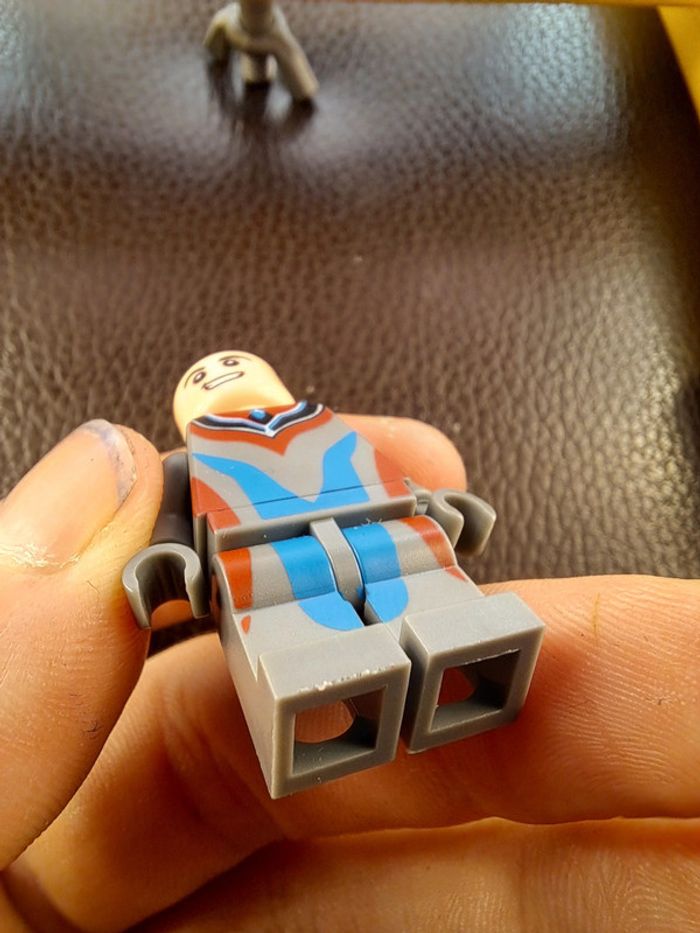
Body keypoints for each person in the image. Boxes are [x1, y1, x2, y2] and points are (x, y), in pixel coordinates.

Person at [0, 415, 697, 930]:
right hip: (261, 563)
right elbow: (171, 524)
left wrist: (435, 507)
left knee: (443, 602)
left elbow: (398, 476)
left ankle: (467, 649)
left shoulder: (329, 431)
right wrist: (172, 560)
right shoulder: (197, 458)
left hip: (389, 530)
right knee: (298, 646)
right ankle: (335, 675)